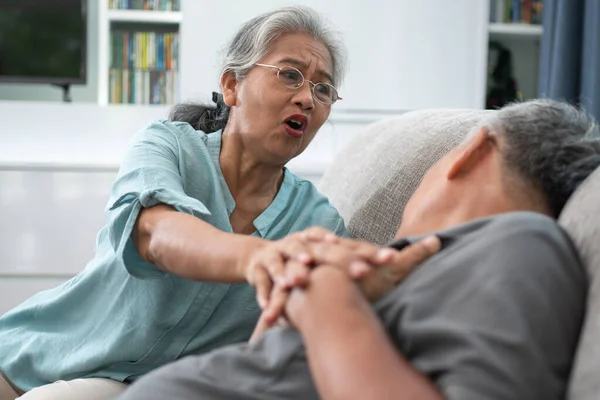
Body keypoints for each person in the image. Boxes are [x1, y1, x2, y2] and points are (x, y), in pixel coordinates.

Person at [0, 6, 404, 400]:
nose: (307, 99)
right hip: (31, 352)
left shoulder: (319, 223)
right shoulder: (168, 145)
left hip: (128, 388)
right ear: (232, 86)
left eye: (322, 89)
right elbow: (157, 233)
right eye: (290, 75)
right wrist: (257, 257)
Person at [115, 99, 600, 400]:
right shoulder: (418, 267)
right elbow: (274, 368)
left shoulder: (523, 245)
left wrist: (323, 292)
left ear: (472, 151)